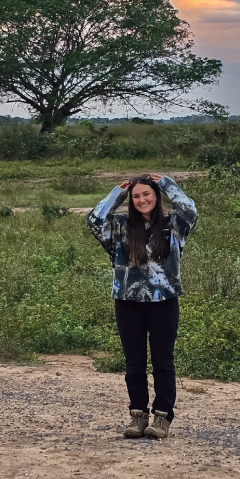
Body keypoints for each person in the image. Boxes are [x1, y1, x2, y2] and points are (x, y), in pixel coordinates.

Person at [88, 173, 198, 440]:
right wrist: (118, 192)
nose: (142, 200)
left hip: (164, 301)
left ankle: (162, 417)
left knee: (163, 361)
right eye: (136, 196)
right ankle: (138, 416)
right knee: (134, 361)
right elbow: (94, 219)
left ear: (156, 195)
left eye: (147, 194)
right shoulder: (120, 226)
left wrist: (167, 183)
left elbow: (190, 210)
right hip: (128, 302)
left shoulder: (173, 224)